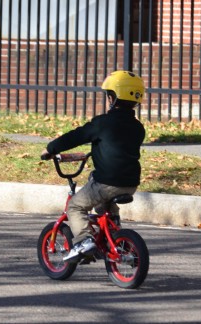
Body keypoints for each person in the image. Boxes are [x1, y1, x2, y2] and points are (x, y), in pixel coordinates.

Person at [41, 70, 146, 263]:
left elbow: (75, 136)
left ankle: (83, 240)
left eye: (109, 95)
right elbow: (118, 148)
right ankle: (114, 233)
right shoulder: (138, 127)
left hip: (107, 181)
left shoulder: (102, 123)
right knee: (102, 202)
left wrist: (51, 148)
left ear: (113, 97)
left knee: (76, 206)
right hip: (130, 182)